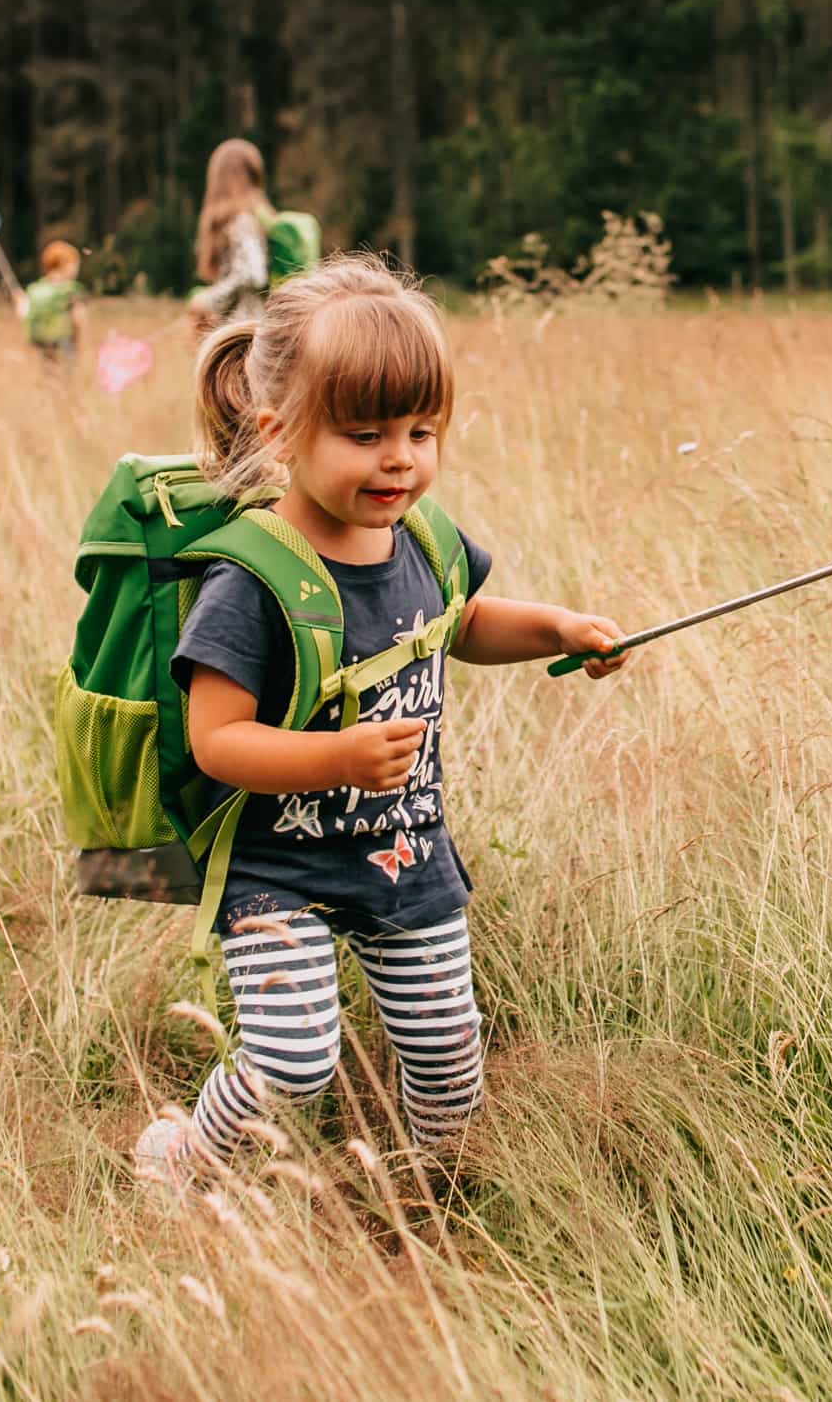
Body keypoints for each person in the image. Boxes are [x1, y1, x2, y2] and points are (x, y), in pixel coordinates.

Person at [134, 255, 630, 1180]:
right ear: (283, 435)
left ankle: (417, 1192)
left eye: (421, 429)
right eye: (364, 433)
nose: (399, 457)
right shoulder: (250, 580)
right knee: (292, 1060)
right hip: (276, 866)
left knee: (447, 1051)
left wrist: (558, 627)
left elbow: (463, 626)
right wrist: (339, 756)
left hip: (404, 850)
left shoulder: (425, 540)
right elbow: (217, 739)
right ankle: (186, 1159)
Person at [189, 138, 274, 328]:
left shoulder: (243, 222)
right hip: (244, 328)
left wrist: (210, 300)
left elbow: (254, 274)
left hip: (246, 331)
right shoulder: (249, 218)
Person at [20, 240, 86, 360]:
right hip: (64, 341)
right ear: (65, 264)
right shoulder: (69, 289)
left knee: (49, 374)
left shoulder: (35, 289)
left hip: (41, 342)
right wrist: (77, 343)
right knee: (66, 375)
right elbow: (77, 319)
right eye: (75, 265)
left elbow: (24, 313)